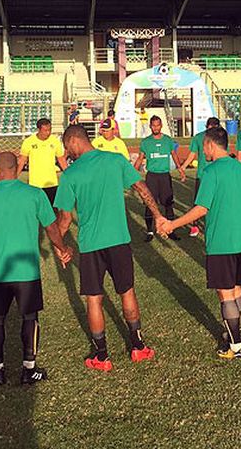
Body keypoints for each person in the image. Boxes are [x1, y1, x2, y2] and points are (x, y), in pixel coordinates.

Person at [55, 125, 164, 371]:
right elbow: (141, 188)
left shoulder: (71, 175)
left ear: (74, 141)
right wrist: (157, 215)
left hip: (91, 245)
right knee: (127, 291)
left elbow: (63, 219)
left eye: (65, 146)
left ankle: (101, 356)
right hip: (119, 241)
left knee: (94, 298)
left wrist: (60, 246)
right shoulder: (115, 161)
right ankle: (138, 347)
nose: (65, 151)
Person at [159, 127, 241, 359]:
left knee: (225, 293)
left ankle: (235, 346)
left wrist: (172, 224)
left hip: (221, 243)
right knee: (236, 288)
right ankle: (233, 332)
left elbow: (201, 209)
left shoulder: (211, 172)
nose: (203, 151)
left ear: (210, 145)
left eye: (204, 147)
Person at [0, 152, 73, 385]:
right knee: (30, 317)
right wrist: (62, 247)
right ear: (17, 168)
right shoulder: (34, 194)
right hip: (26, 270)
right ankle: (29, 369)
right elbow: (51, 227)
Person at [134, 115, 185, 242]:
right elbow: (140, 158)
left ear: (161, 125)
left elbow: (174, 154)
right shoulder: (145, 142)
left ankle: (171, 230)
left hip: (164, 176)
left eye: (158, 125)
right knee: (149, 203)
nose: (155, 127)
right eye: (153, 125)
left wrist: (180, 169)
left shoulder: (168, 140)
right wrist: (133, 172)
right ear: (150, 126)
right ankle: (150, 231)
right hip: (152, 176)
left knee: (168, 203)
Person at [179, 116, 221, 237]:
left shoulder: (220, 138)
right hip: (203, 175)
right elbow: (192, 154)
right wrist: (183, 167)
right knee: (199, 202)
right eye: (209, 129)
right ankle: (195, 225)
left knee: (216, 202)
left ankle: (212, 225)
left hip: (218, 175)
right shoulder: (198, 137)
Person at [17, 118, 68, 206]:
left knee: (53, 211)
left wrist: (69, 174)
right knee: (36, 210)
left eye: (49, 130)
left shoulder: (55, 141)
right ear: (38, 129)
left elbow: (61, 160)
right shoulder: (28, 142)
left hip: (51, 183)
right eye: (45, 130)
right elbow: (22, 161)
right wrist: (14, 176)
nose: (48, 133)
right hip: (35, 184)